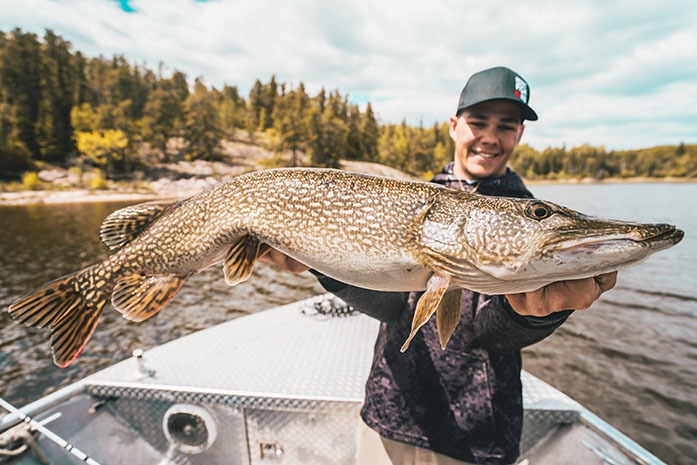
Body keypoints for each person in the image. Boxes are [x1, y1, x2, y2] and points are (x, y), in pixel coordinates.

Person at [261, 66, 618, 465]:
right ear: (454, 126)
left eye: (505, 126)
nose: (489, 137)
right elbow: (394, 308)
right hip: (389, 414)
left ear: (519, 135)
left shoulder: (531, 217)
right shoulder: (409, 200)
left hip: (475, 436)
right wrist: (324, 263)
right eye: (478, 122)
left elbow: (489, 332)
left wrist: (532, 314)